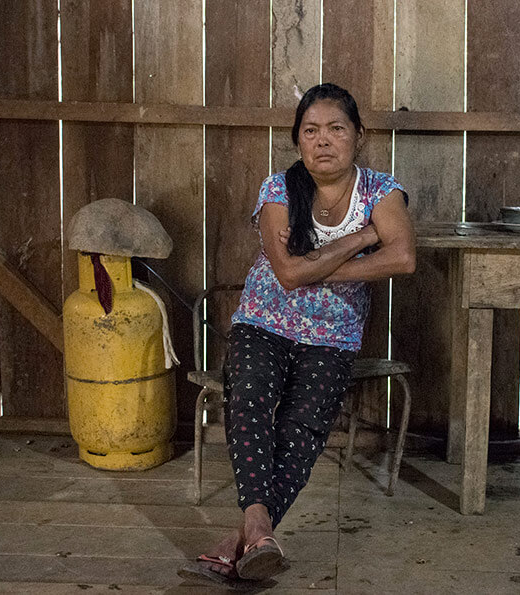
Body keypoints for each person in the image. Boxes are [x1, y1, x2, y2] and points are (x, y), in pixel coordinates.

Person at [179, 83, 416, 588]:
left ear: (359, 135)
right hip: (263, 321)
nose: (324, 141)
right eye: (311, 131)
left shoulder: (381, 189)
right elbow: (285, 275)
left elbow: (402, 257)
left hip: (333, 336)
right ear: (298, 139)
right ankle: (259, 531)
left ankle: (244, 538)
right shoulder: (278, 189)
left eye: (336, 129)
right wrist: (357, 240)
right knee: (249, 399)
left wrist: (316, 267)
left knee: (303, 430)